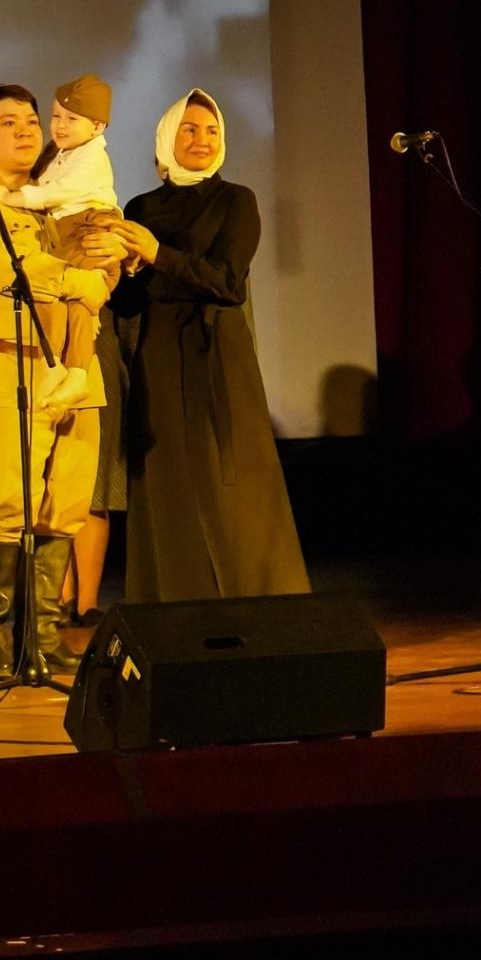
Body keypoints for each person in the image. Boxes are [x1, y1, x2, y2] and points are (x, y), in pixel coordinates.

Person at [0, 86, 124, 678]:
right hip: (6, 362)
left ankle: (43, 636)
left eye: (30, 120)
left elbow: (104, 254)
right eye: (9, 122)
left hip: (76, 362)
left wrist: (110, 261)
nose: (27, 131)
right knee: (7, 503)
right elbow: (2, 267)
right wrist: (79, 281)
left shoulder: (62, 188)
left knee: (65, 502)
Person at [106, 91, 310, 601]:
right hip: (158, 352)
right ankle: (174, 601)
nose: (202, 140)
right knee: (166, 478)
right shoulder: (141, 208)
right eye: (190, 129)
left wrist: (157, 255)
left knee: (230, 479)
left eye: (211, 131)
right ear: (166, 139)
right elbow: (129, 304)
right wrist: (125, 271)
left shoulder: (236, 200)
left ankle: (257, 596)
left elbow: (227, 282)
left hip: (217, 352)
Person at [1, 73, 118, 415]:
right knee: (61, 296)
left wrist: (17, 197)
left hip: (89, 228)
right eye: (55, 116)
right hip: (64, 232)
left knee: (80, 296)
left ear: (97, 127)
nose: (60, 126)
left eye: (72, 119)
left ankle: (77, 372)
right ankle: (60, 366)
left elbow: (60, 192)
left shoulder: (92, 157)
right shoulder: (60, 153)